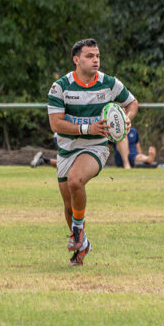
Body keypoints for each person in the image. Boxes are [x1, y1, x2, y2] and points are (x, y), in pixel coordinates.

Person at [47, 38, 138, 266]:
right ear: (76, 60)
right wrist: (87, 127)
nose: (95, 60)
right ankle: (83, 244)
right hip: (67, 150)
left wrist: (125, 119)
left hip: (96, 146)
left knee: (75, 181)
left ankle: (77, 231)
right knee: (69, 207)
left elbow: (132, 103)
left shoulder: (108, 83)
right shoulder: (61, 87)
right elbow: (56, 124)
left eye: (97, 56)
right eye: (90, 56)